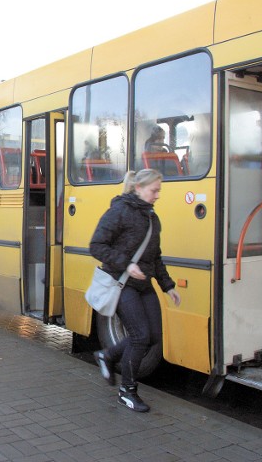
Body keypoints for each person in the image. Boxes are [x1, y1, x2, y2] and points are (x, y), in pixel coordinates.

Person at [89, 168, 181, 412]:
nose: (157, 195)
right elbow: (96, 245)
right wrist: (127, 265)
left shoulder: (152, 218)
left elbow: (155, 257)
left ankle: (107, 355)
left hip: (143, 284)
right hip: (121, 283)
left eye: (159, 190)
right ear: (139, 189)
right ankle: (127, 392)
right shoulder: (119, 211)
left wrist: (168, 286)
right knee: (140, 336)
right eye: (154, 190)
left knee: (153, 337)